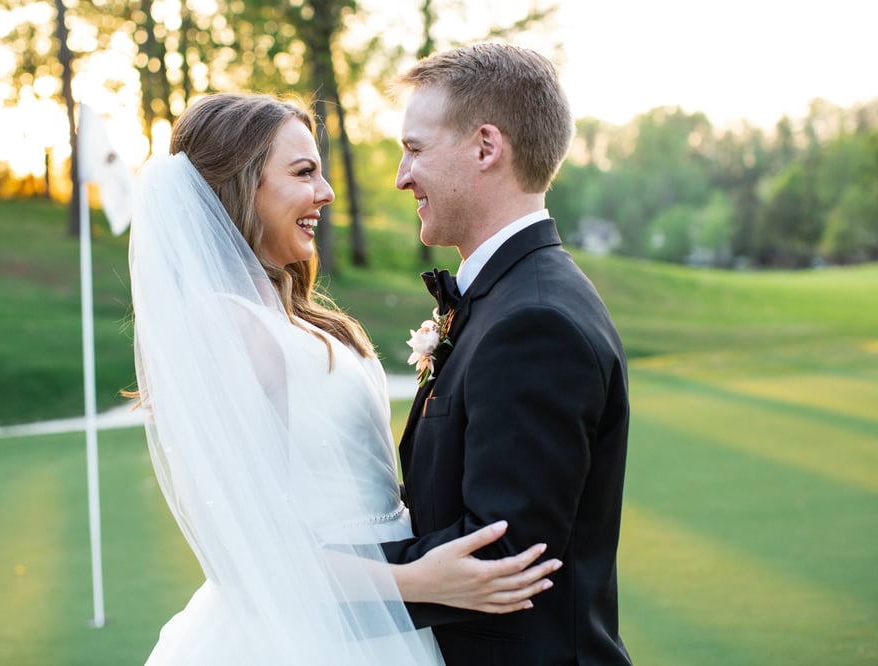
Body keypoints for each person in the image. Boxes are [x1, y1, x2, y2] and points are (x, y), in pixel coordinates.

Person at [127, 92, 562, 665]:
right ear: (239, 186)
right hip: (321, 632)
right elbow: (248, 556)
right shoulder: (228, 323)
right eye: (304, 172)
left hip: (377, 615)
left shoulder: (291, 316)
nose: (326, 193)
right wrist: (418, 582)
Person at [381, 44, 633, 664]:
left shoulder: (534, 321)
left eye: (414, 149)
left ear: (486, 147)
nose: (401, 176)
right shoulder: (507, 298)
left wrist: (311, 574)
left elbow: (497, 557)